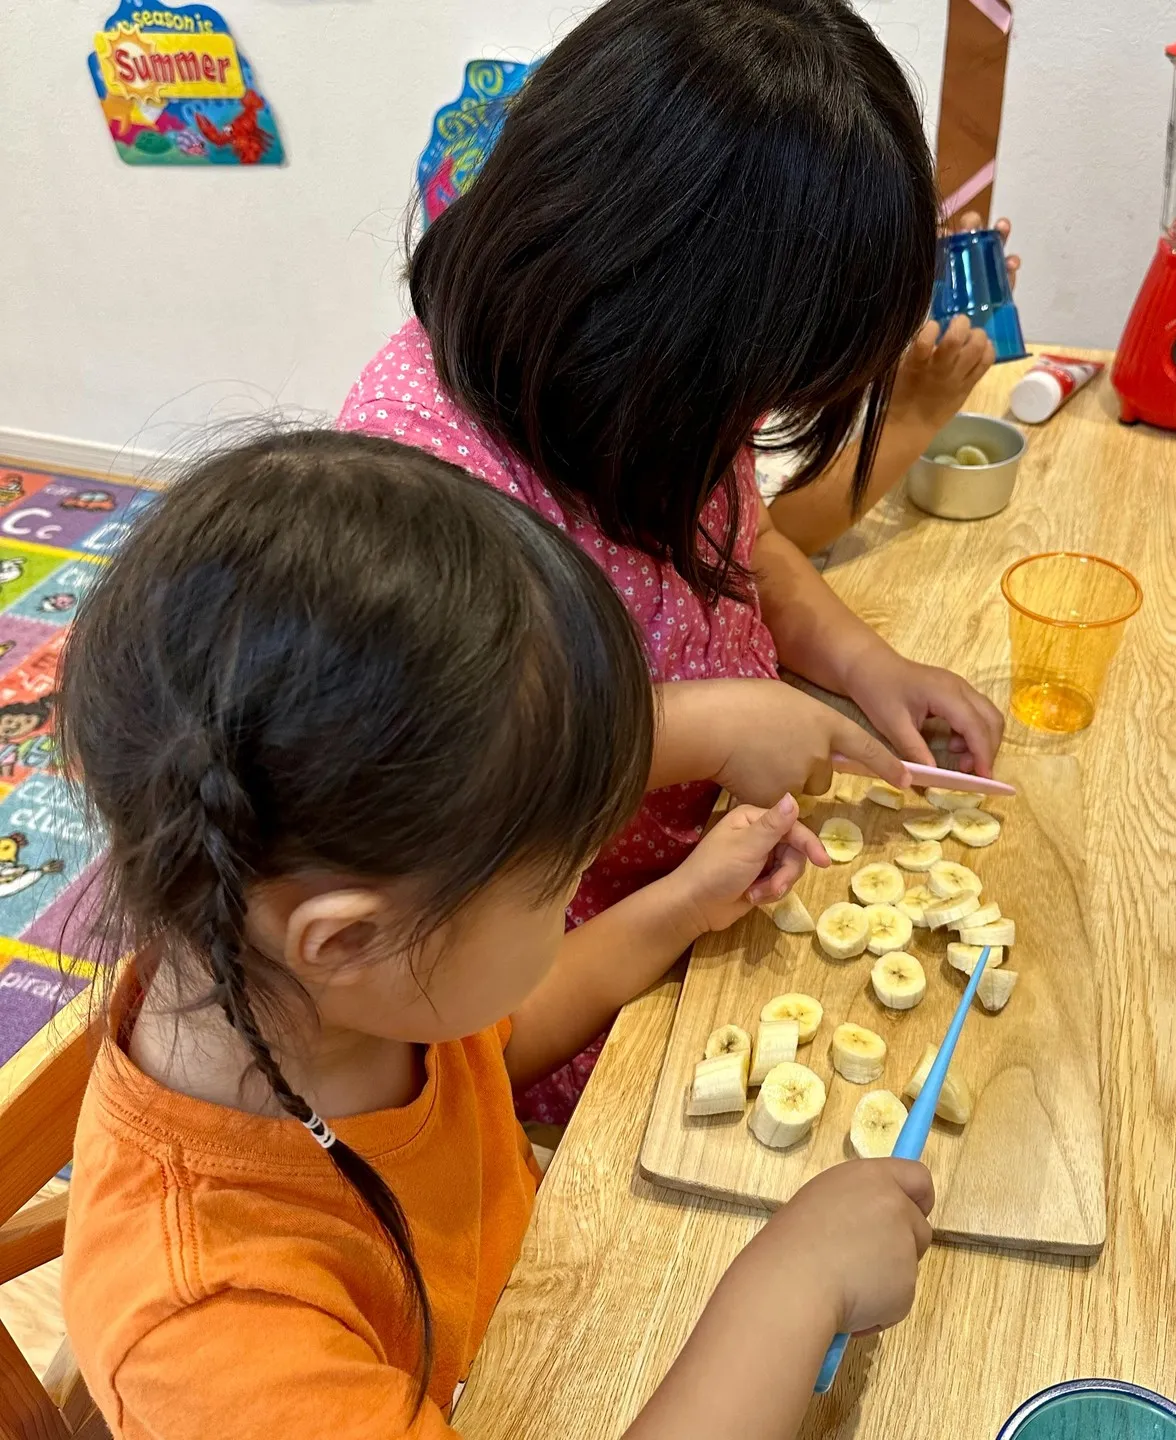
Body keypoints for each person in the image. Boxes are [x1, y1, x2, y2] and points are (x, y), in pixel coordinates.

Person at [59, 431, 935, 1439]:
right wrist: (794, 1290)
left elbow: (497, 1043)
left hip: (542, 1323)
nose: (574, 894)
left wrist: (685, 901)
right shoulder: (211, 1329)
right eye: (558, 882)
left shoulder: (326, 989)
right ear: (345, 941)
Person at [339, 0, 1005, 1122]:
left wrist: (861, 657)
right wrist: (710, 725)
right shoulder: (420, 495)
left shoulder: (652, 386)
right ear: (667, 321)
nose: (757, 424)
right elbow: (459, 766)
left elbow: (747, 546)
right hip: (567, 971)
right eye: (768, 388)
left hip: (712, 869)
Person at [767, 213, 1020, 556]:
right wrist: (912, 418)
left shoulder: (839, 337)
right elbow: (776, 535)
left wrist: (952, 305)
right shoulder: (753, 385)